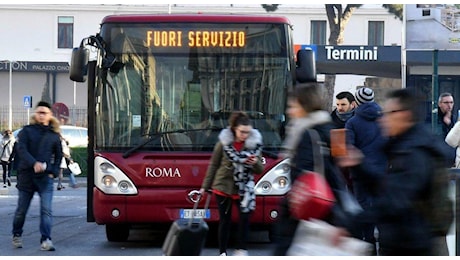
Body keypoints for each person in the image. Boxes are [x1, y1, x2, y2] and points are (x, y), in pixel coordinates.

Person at [337, 88, 452, 255]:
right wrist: (359, 165)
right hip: (404, 242)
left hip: (413, 245)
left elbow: (394, 200)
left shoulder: (415, 153)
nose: (383, 119)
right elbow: (387, 187)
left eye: (389, 113)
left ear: (404, 115)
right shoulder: (404, 146)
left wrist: (351, 225)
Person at [272, 82, 355, 256]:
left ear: (304, 105)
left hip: (306, 212)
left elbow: (305, 178)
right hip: (330, 207)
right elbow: (339, 171)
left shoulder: (304, 133)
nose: (290, 111)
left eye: (293, 105)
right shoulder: (332, 128)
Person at [199, 111, 264, 256]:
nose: (244, 135)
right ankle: (222, 252)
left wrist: (255, 162)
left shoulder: (254, 145)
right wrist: (204, 187)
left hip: (244, 189)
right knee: (225, 221)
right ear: (234, 128)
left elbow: (260, 169)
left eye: (247, 132)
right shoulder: (223, 144)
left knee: (245, 219)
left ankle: (241, 249)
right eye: (242, 131)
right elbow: (213, 165)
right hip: (223, 187)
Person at [11, 101, 63, 251]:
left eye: (44, 113)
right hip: (26, 177)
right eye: (39, 112)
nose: (41, 115)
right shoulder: (26, 131)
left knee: (46, 210)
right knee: (22, 210)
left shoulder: (54, 135)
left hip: (45, 179)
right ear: (35, 114)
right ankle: (16, 234)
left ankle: (46, 239)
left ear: (50, 115)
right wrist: (34, 163)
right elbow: (22, 150)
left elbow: (58, 155)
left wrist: (53, 171)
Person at [344, 87, 387, 254]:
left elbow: (349, 147)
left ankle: (368, 244)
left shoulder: (353, 122)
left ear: (357, 102)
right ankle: (383, 245)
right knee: (381, 207)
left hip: (361, 173)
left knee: (364, 207)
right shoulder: (384, 120)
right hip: (382, 172)